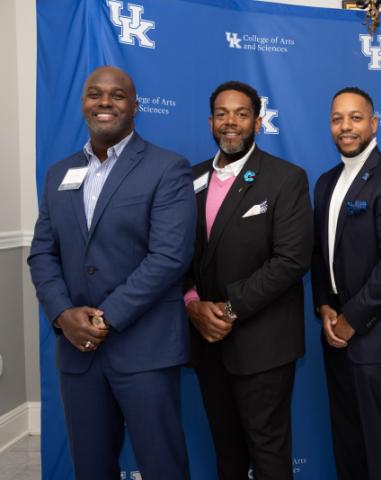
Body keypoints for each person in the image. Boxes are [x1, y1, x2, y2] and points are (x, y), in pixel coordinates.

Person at [27, 66, 196, 479]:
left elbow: (169, 257)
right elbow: (42, 254)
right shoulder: (57, 174)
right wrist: (64, 316)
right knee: (90, 466)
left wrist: (103, 317)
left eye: (117, 95)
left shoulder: (167, 168)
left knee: (162, 466)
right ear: (83, 102)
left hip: (144, 350)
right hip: (77, 354)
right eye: (94, 94)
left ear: (135, 106)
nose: (104, 102)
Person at [184, 80, 313, 480]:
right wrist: (192, 304)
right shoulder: (190, 179)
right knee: (227, 452)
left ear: (257, 122)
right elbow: (178, 256)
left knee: (269, 453)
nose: (231, 122)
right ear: (210, 122)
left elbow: (291, 260)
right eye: (222, 114)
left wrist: (226, 307)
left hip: (263, 344)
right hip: (208, 343)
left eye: (241, 114)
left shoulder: (285, 178)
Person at [311, 87, 381, 480]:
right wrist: (324, 306)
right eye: (338, 118)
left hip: (376, 336)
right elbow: (320, 256)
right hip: (334, 332)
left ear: (373, 124)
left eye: (355, 118)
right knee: (349, 442)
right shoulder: (325, 182)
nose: (346, 126)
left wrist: (351, 319)